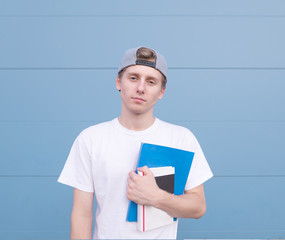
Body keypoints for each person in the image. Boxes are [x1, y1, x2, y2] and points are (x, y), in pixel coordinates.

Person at [58, 46, 213, 239]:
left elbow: (198, 207)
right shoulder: (90, 139)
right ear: (118, 82)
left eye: (151, 81)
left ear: (161, 91)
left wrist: (156, 196)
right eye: (133, 78)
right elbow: (82, 214)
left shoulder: (182, 138)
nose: (141, 88)